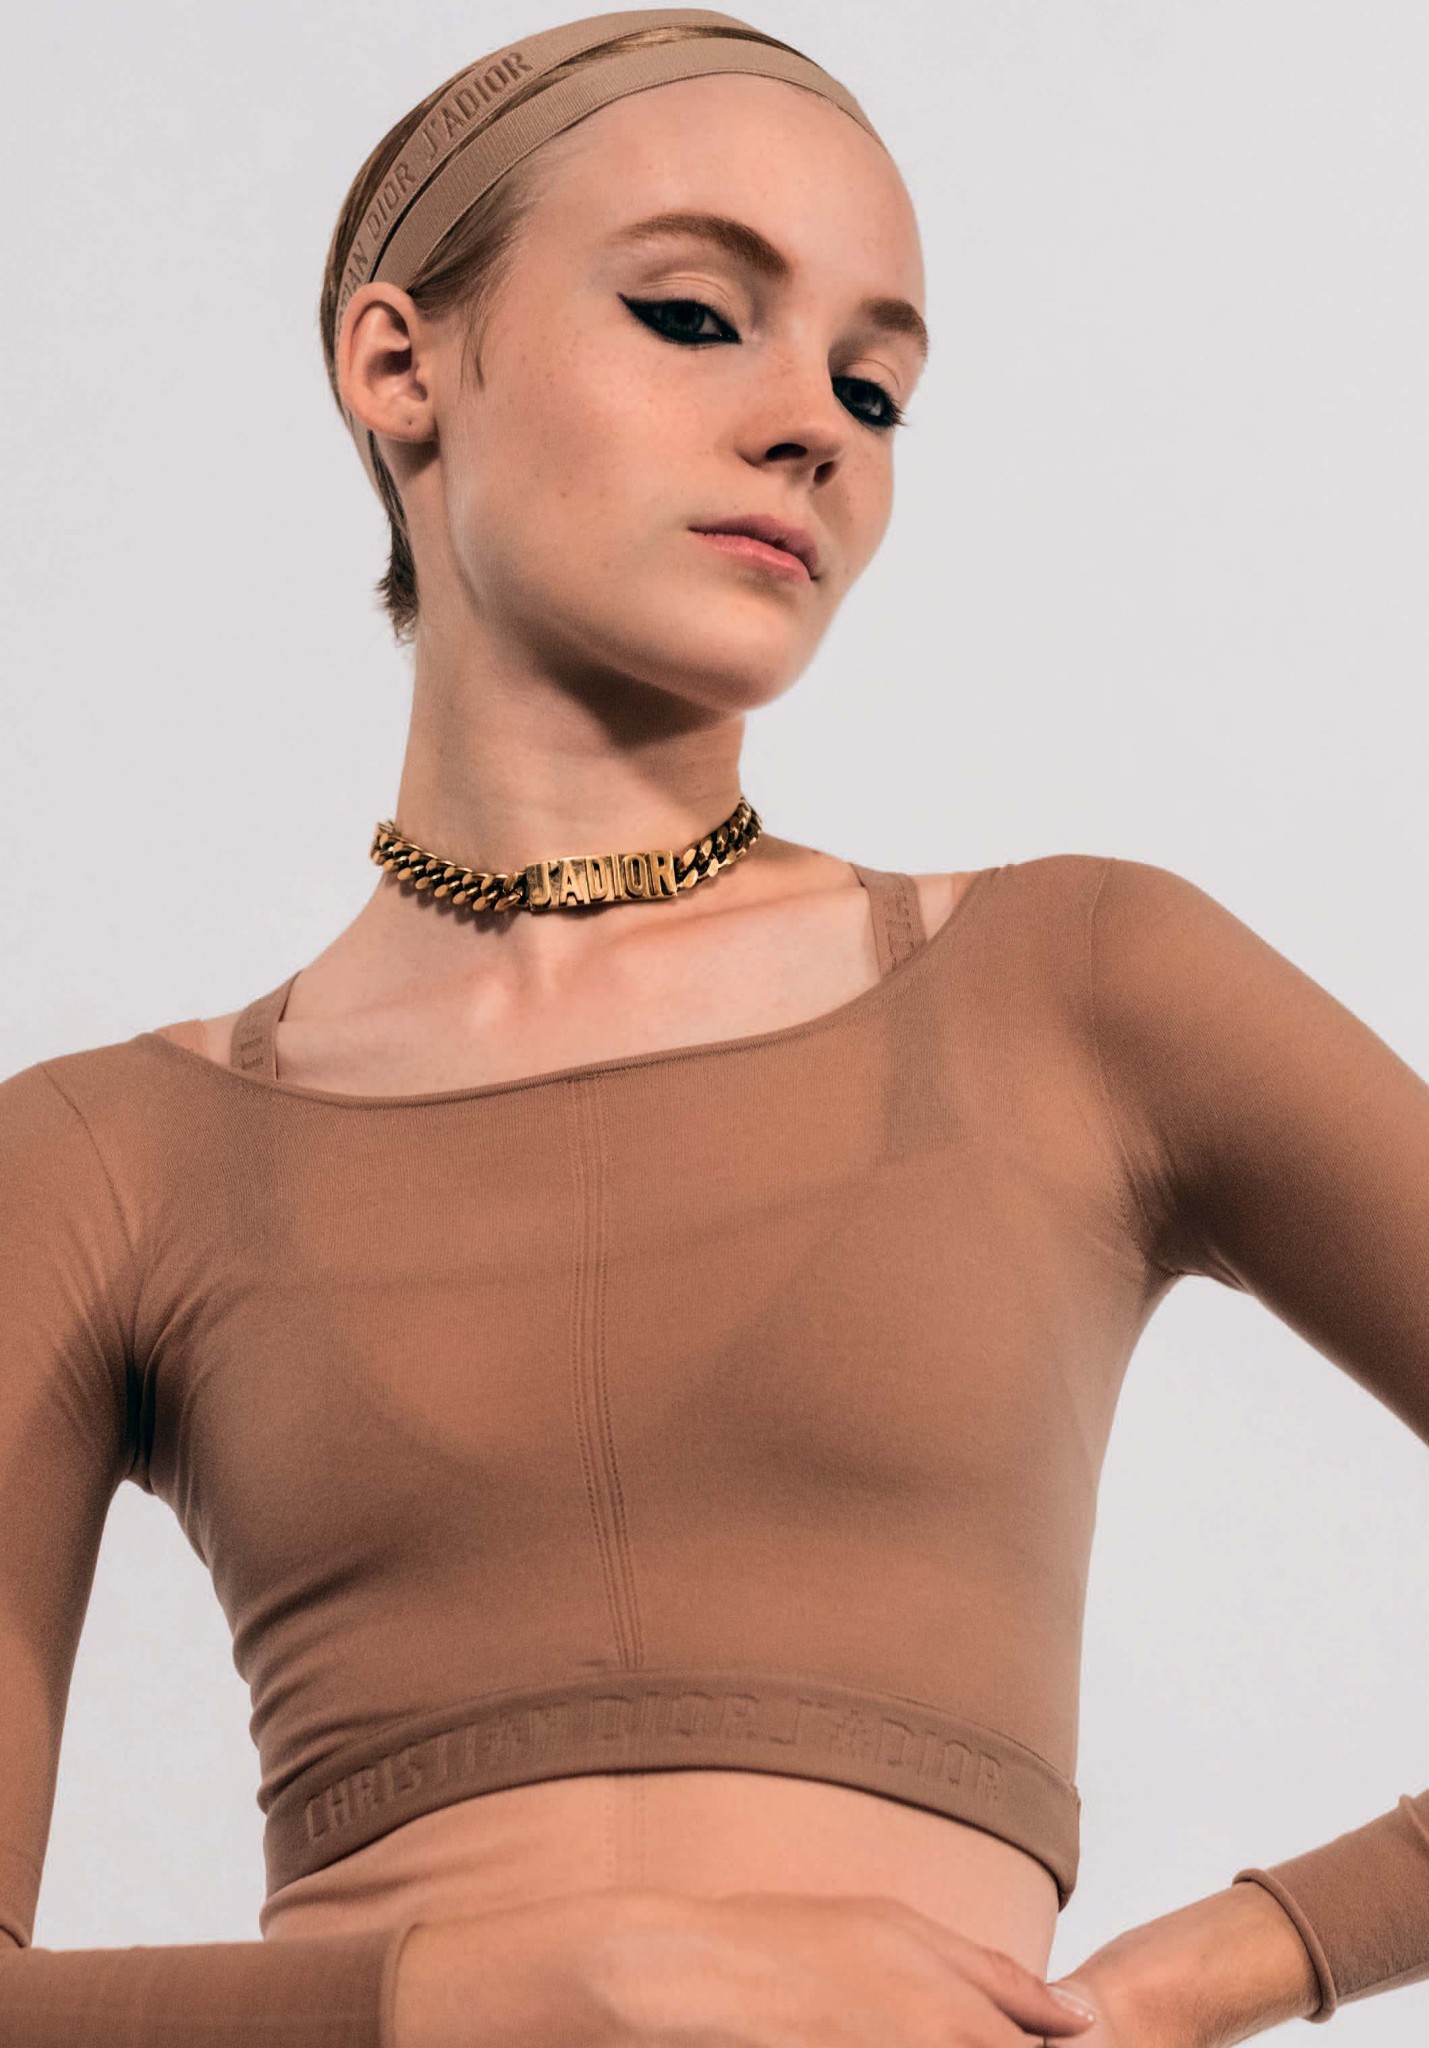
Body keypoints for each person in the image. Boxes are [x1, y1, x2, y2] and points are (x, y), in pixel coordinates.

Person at [2, 9, 1426, 2046]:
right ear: (398, 365)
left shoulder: (1083, 987)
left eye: (873, 384)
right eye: (692, 315)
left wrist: (1219, 1969)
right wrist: (507, 1989)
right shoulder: (101, 1161)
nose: (814, 428)